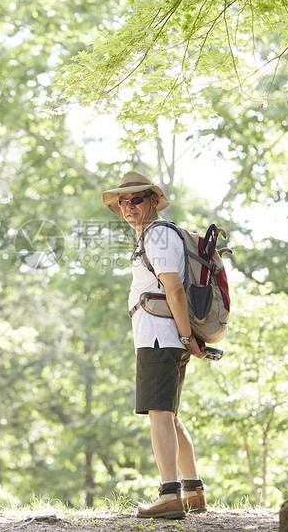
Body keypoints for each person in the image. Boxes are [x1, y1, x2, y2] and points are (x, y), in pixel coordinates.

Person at [102, 171, 208, 519]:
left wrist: (185, 336)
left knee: (159, 414)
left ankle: (168, 495)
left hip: (161, 337)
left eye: (136, 199)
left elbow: (174, 288)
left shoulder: (158, 235)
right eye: (123, 201)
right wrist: (185, 337)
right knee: (169, 414)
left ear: (152, 201)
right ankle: (192, 490)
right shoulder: (154, 235)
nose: (128, 206)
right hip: (164, 336)